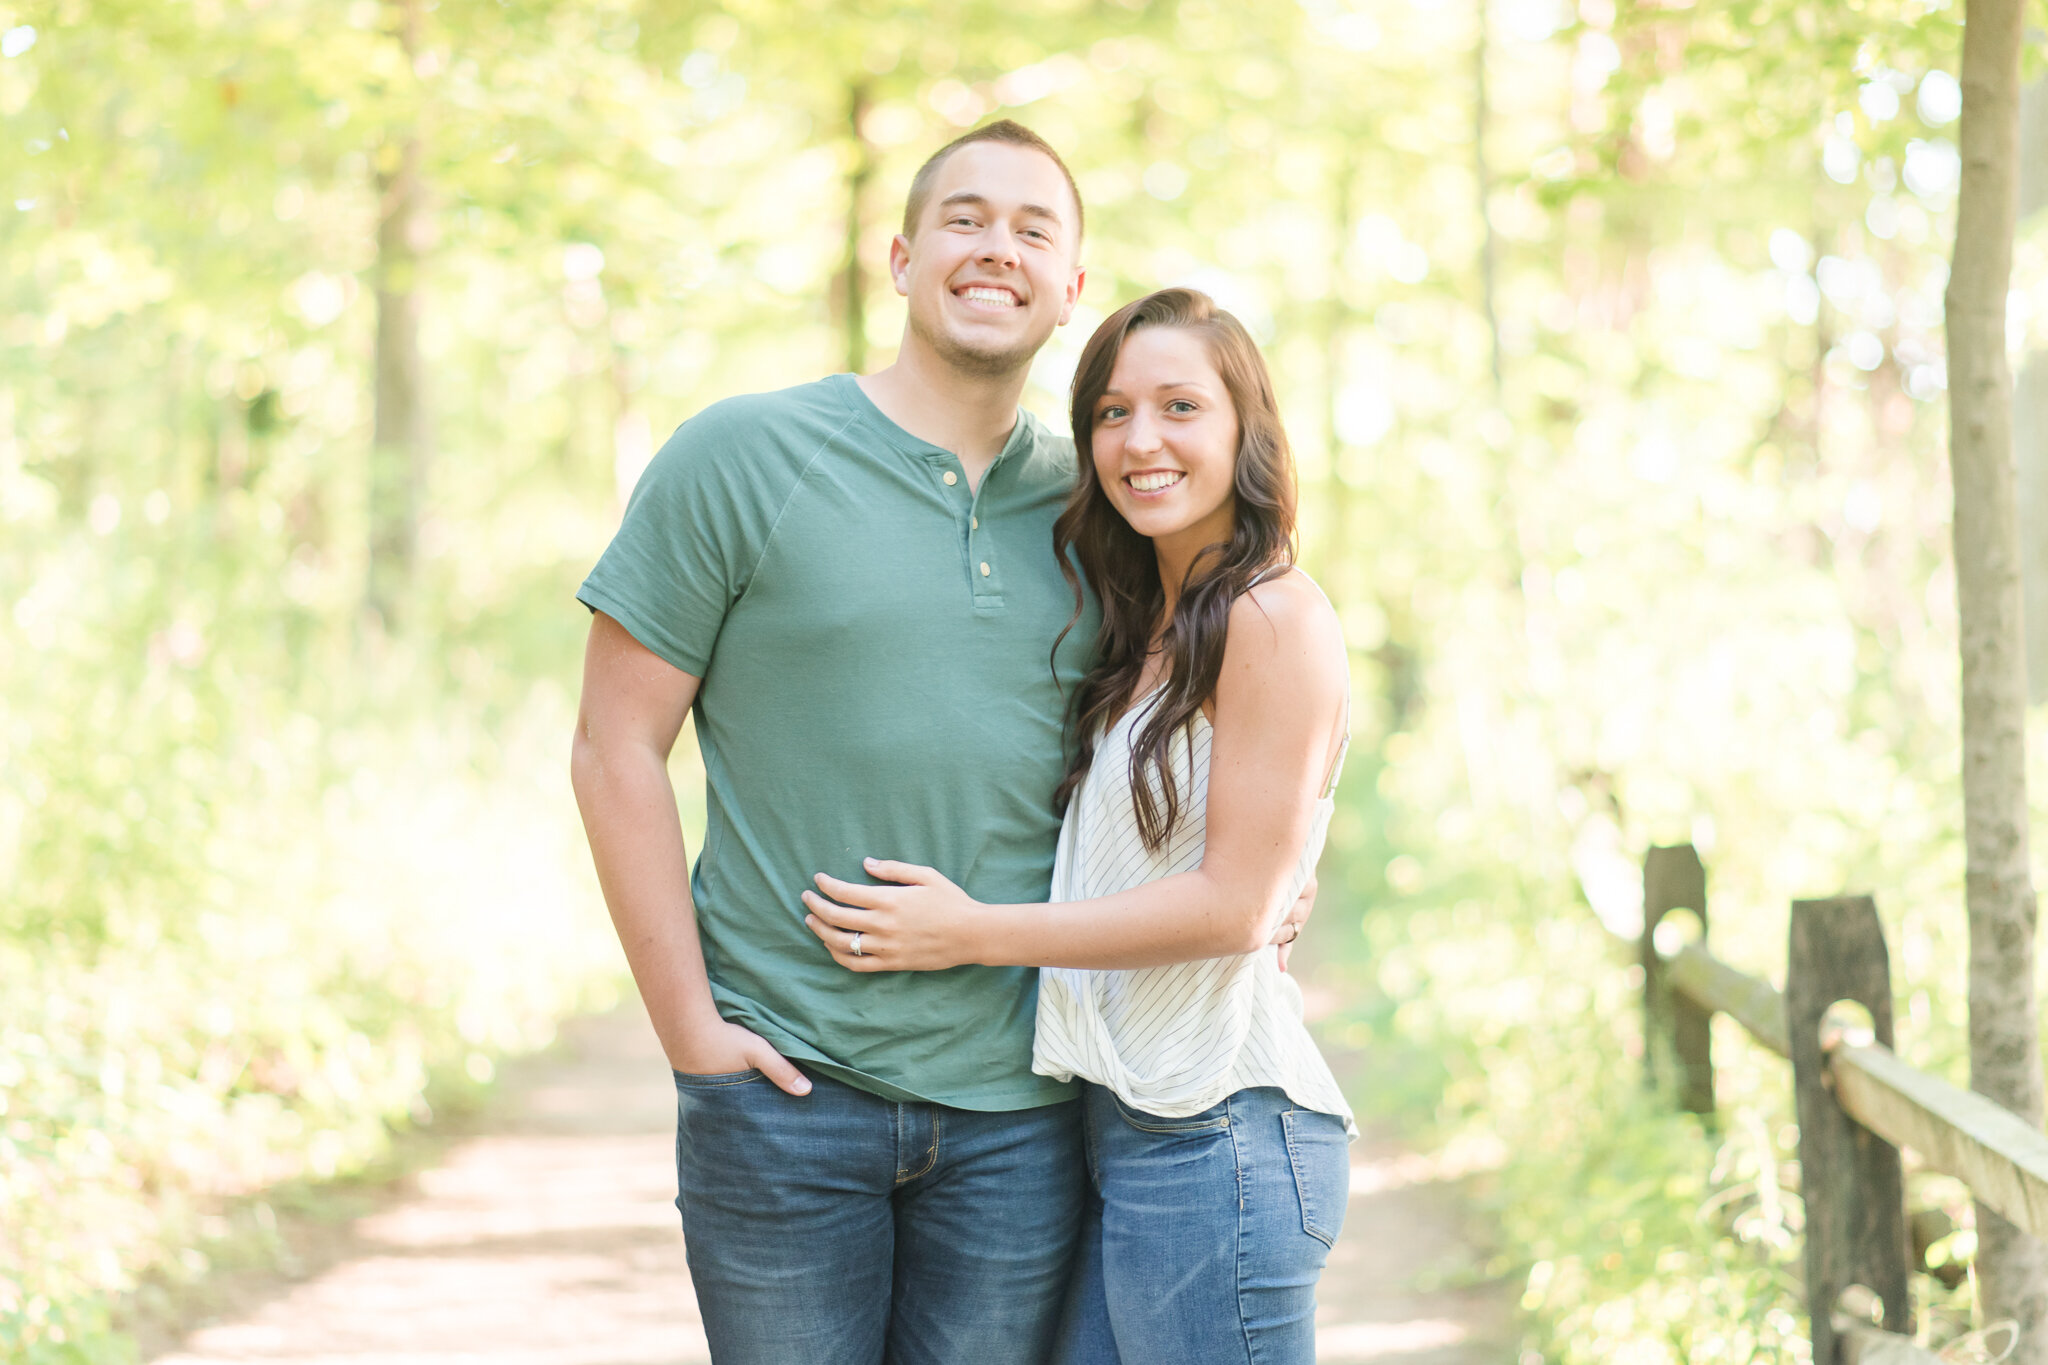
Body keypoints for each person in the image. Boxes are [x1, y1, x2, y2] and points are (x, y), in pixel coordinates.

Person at [570, 125, 1310, 1364]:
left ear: (1071, 289)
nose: (996, 248)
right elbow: (611, 749)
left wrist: (1271, 879)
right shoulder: (738, 457)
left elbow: (1231, 710)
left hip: (1024, 1114)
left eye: (1034, 228)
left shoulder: (1107, 502)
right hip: (784, 1086)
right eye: (965, 219)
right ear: (905, 256)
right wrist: (693, 1037)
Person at [801, 287, 1356, 1365]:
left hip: (1220, 1135)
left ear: (1246, 429)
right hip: (1128, 1131)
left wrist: (971, 932)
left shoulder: (1273, 613)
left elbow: (1237, 906)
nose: (1138, 440)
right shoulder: (1146, 621)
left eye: (1178, 407)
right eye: (1109, 412)